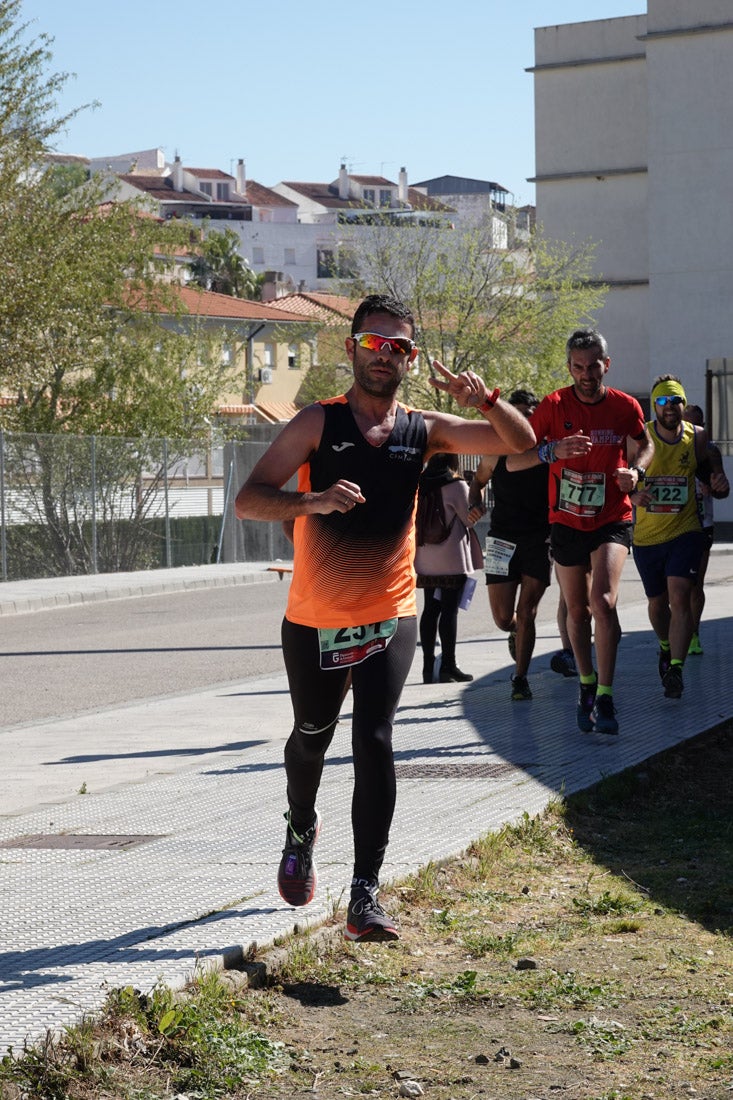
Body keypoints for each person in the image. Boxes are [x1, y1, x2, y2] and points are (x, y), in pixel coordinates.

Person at [234, 293, 535, 942]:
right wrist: (311, 500)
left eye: (398, 347)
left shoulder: (423, 429)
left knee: (373, 739)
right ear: (350, 348)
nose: (384, 355)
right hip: (315, 616)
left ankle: (364, 894)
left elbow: (520, 443)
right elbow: (248, 500)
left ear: (411, 359)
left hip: (389, 613)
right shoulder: (317, 422)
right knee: (311, 738)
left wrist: (484, 398)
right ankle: (299, 826)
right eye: (373, 343)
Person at [505, 328, 654, 735]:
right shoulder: (553, 405)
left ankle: (606, 695)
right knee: (578, 611)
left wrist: (635, 472)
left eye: (593, 366)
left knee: (603, 602)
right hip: (567, 521)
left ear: (606, 364)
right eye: (578, 367)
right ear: (569, 366)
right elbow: (514, 462)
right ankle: (586, 686)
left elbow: (645, 445)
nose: (586, 374)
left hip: (612, 517)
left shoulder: (624, 406)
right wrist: (552, 451)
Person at [632, 378, 729, 698]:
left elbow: (712, 456)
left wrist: (720, 478)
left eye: (676, 401)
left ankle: (676, 667)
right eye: (662, 402)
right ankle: (664, 643)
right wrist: (633, 494)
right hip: (647, 536)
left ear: (683, 405)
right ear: (654, 406)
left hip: (686, 530)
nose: (669, 407)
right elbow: (620, 473)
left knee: (681, 595)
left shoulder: (697, 437)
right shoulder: (639, 436)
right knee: (658, 604)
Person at [468, 389, 554, 700]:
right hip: (502, 538)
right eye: (513, 413)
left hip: (539, 538)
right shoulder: (495, 452)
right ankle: (515, 631)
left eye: (527, 415)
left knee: (527, 610)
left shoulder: (548, 451)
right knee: (504, 619)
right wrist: (473, 505)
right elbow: (476, 483)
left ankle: (520, 677)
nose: (519, 420)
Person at [415, 453, 481, 685]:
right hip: (451, 558)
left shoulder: (418, 482)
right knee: (449, 611)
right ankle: (448, 666)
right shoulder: (456, 485)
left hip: (424, 557)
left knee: (430, 610)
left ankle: (426, 666)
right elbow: (470, 519)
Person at [682, 403, 730, 655]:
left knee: (694, 583)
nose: (695, 430)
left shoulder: (711, 452)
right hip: (672, 523)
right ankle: (674, 633)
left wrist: (718, 485)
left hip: (702, 523)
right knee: (673, 585)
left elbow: (723, 490)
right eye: (689, 425)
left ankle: (693, 634)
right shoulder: (665, 447)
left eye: (699, 425)